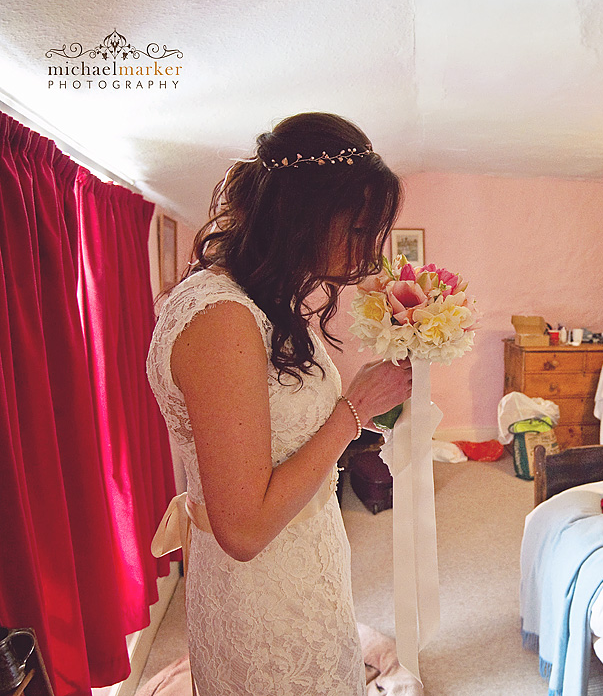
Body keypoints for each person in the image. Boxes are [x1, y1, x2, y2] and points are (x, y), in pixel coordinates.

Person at [146, 112, 413, 694]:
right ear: (301, 215)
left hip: (304, 554)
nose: (369, 248)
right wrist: (354, 412)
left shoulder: (264, 300)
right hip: (262, 588)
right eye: (358, 226)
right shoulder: (221, 318)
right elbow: (242, 532)